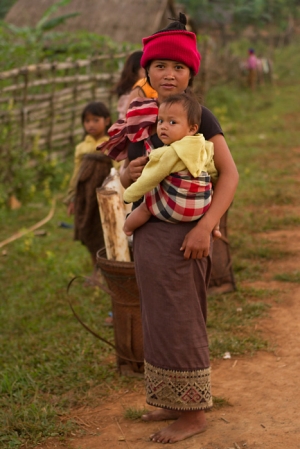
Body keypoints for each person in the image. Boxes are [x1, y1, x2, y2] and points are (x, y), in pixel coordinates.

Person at [98, 12, 238, 444]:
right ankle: (170, 400)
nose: (169, 74)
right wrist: (126, 175)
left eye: (179, 67)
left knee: (182, 318)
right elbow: (123, 180)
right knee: (158, 317)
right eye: (161, 66)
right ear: (147, 71)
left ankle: (194, 414)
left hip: (186, 236)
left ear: (190, 73)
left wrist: (206, 227)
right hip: (151, 235)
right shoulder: (142, 118)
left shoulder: (199, 116)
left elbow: (229, 175)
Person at [123, 92, 218, 236]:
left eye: (172, 122)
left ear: (192, 128)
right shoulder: (204, 146)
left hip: (175, 208)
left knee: (147, 205)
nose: (164, 127)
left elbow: (150, 178)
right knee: (208, 188)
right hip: (201, 207)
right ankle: (215, 227)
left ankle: (128, 228)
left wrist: (129, 195)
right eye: (160, 121)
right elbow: (212, 171)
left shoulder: (168, 153)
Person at [64, 101, 112, 282]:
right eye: (87, 121)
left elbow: (118, 166)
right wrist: (72, 197)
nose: (90, 124)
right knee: (89, 231)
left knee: (105, 230)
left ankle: (109, 270)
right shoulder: (81, 147)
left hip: (104, 195)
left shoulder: (110, 143)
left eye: (95, 120)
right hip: (86, 195)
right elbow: (77, 173)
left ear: (107, 120)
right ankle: (96, 271)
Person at [114, 50, 157, 120]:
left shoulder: (150, 91)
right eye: (145, 71)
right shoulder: (132, 95)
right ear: (134, 71)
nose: (149, 75)